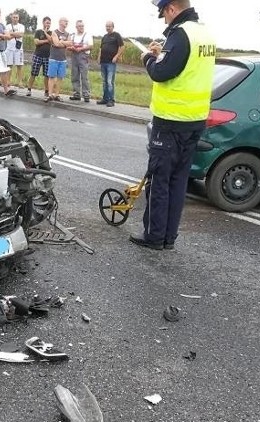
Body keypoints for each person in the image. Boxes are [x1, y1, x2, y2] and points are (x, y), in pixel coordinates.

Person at [129, 0, 217, 250]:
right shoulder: (204, 33)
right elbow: (184, 66)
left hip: (171, 121)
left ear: (171, 9)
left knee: (160, 181)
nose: (164, 20)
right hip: (195, 119)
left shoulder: (181, 34)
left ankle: (155, 236)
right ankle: (169, 237)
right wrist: (161, 55)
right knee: (179, 181)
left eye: (163, 15)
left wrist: (148, 57)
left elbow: (161, 73)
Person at [98, 21, 125, 107]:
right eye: (106, 26)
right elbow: (101, 48)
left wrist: (116, 56)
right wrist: (99, 57)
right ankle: (105, 99)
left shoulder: (116, 35)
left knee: (110, 82)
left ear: (113, 27)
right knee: (104, 82)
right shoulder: (104, 37)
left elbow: (122, 47)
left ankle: (111, 100)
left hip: (111, 63)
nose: (108, 28)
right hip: (103, 62)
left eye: (109, 26)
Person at [46, 17, 73, 102]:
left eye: (67, 22)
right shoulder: (55, 32)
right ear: (60, 22)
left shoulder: (68, 34)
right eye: (65, 21)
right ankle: (50, 94)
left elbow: (70, 43)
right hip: (54, 58)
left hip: (63, 59)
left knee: (60, 77)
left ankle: (57, 94)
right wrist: (63, 43)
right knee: (51, 77)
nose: (67, 23)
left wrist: (62, 42)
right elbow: (56, 44)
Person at [68, 20, 93, 102]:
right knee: (74, 75)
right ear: (76, 27)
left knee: (84, 76)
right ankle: (76, 94)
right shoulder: (73, 35)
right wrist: (71, 48)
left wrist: (81, 48)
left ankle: (86, 95)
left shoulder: (87, 35)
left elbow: (91, 46)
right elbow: (69, 45)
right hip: (74, 56)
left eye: (82, 26)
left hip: (83, 57)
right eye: (79, 26)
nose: (81, 27)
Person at [27, 16, 52, 98]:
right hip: (38, 55)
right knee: (33, 73)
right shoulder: (38, 32)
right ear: (43, 22)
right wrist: (46, 41)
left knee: (46, 75)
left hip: (47, 57)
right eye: (47, 22)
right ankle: (29, 90)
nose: (48, 24)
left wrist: (45, 33)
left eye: (49, 23)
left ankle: (46, 91)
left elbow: (51, 41)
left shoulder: (51, 33)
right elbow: (36, 42)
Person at [5, 12, 26, 94]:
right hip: (9, 48)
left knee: (20, 66)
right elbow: (7, 36)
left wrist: (11, 33)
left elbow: (21, 34)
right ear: (11, 18)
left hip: (18, 49)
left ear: (19, 18)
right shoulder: (7, 26)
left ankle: (20, 82)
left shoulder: (22, 26)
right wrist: (15, 34)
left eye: (16, 17)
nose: (15, 18)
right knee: (9, 65)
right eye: (14, 17)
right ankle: (8, 81)